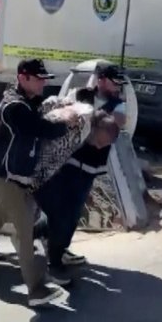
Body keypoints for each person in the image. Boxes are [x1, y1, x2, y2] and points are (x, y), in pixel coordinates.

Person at [0, 58, 77, 307]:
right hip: (4, 177)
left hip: (9, 175)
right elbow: (42, 129)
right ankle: (35, 288)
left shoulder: (24, 102)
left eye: (44, 79)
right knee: (25, 231)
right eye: (39, 79)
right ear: (23, 78)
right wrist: (67, 121)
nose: (43, 83)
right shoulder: (15, 107)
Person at [35, 63, 128, 273]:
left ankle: (58, 248)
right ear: (101, 80)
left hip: (89, 168)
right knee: (59, 211)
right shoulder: (80, 94)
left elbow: (117, 122)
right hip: (67, 162)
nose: (117, 87)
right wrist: (81, 111)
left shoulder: (118, 104)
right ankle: (50, 247)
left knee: (73, 213)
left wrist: (86, 115)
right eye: (114, 82)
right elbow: (63, 112)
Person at [33, 111, 121, 285]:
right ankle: (53, 263)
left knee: (72, 219)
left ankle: (49, 243)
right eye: (99, 142)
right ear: (92, 130)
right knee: (61, 219)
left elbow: (95, 169)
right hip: (58, 180)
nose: (99, 148)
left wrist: (88, 192)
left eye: (105, 145)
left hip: (82, 182)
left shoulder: (106, 144)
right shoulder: (74, 137)